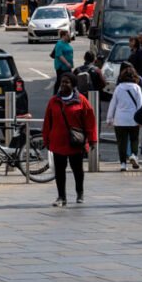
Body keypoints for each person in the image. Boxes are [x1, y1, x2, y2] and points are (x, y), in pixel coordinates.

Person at [42, 72, 98, 206]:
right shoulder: (53, 101)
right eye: (62, 82)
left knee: (77, 170)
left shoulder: (82, 101)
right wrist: (46, 140)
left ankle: (80, 192)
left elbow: (90, 122)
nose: (63, 84)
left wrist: (92, 139)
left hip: (75, 143)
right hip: (57, 142)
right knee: (60, 172)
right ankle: (61, 197)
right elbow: (47, 122)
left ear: (73, 85)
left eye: (66, 82)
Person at [106, 64, 142, 171]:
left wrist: (109, 118)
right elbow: (140, 104)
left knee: (121, 142)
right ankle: (134, 155)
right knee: (134, 139)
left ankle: (123, 164)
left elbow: (113, 104)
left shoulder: (118, 88)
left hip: (120, 120)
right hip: (133, 119)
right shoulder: (137, 88)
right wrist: (141, 119)